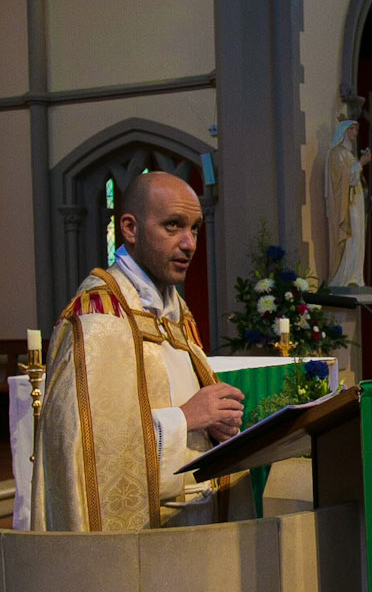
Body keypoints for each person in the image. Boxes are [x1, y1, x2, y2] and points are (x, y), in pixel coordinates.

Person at [41, 171, 249, 531]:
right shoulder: (99, 317)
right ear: (130, 229)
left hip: (194, 524)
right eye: (173, 226)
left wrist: (218, 423)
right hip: (143, 546)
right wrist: (186, 418)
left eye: (195, 228)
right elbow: (84, 453)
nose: (189, 244)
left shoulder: (175, 312)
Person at [324, 115, 372, 288]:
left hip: (356, 202)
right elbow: (342, 180)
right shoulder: (336, 154)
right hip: (346, 204)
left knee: (359, 238)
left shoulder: (349, 156)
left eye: (357, 129)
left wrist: (368, 197)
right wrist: (361, 163)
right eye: (352, 129)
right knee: (351, 237)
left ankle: (355, 276)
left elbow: (358, 181)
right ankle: (343, 278)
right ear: (343, 132)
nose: (355, 132)